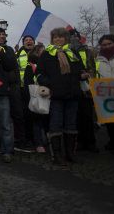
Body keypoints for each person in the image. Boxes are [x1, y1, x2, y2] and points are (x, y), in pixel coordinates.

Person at [36, 28, 86, 165]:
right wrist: (51, 84)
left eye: (61, 37)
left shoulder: (72, 53)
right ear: (52, 39)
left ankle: (70, 153)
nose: (58, 40)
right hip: (56, 95)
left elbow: (79, 71)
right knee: (56, 124)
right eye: (55, 37)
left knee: (71, 124)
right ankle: (56, 155)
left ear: (66, 39)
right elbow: (39, 74)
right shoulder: (47, 55)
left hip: (72, 94)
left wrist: (82, 75)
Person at [69, 30, 98, 153]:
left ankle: (90, 141)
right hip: (73, 86)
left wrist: (89, 74)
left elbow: (93, 66)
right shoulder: (66, 51)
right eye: (71, 36)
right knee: (76, 116)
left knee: (87, 115)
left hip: (86, 87)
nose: (74, 38)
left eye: (76, 36)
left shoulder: (87, 51)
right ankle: (79, 141)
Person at [23, 44, 48, 153]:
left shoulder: (49, 63)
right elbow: (28, 82)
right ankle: (38, 143)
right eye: (42, 51)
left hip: (48, 95)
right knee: (37, 121)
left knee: (47, 120)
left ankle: (48, 141)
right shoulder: (30, 66)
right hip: (37, 96)